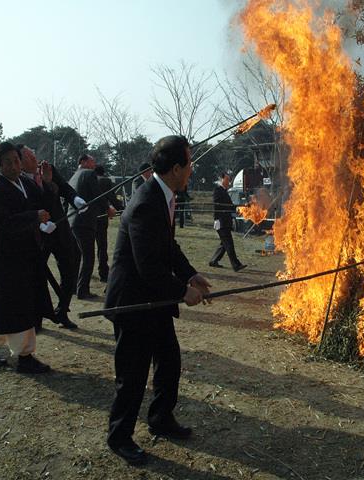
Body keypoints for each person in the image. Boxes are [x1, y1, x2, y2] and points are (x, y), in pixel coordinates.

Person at [104, 135, 211, 466]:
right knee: (132, 375)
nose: (192, 170)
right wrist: (182, 292)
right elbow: (147, 266)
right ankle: (119, 437)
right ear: (176, 168)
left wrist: (191, 274)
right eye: (190, 164)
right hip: (133, 303)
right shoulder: (146, 203)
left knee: (169, 361)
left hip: (154, 300)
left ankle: (160, 418)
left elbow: (168, 248)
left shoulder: (164, 195)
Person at [0, 141, 52, 374]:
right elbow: (6, 224)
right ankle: (24, 356)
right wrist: (34, 217)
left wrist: (48, 183)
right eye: (8, 162)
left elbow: (41, 200)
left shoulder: (22, 183)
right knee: (18, 307)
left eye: (16, 160)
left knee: (7, 309)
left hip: (24, 256)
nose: (14, 166)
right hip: (7, 259)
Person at [18, 145, 83, 330]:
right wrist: (38, 224)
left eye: (33, 154)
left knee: (71, 266)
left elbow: (64, 188)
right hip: (39, 234)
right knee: (37, 275)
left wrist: (76, 199)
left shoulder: (48, 169)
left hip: (60, 228)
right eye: (29, 156)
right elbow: (27, 207)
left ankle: (62, 311)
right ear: (20, 163)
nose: (34, 158)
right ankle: (36, 317)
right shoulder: (20, 181)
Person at [68, 154, 102, 300]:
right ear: (83, 161)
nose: (94, 164)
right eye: (92, 161)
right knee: (88, 257)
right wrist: (108, 208)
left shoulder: (72, 177)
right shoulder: (89, 174)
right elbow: (98, 195)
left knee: (77, 256)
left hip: (72, 221)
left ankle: (74, 287)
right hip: (84, 222)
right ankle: (83, 290)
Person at [209, 172, 247, 272]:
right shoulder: (218, 190)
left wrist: (241, 208)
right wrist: (229, 208)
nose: (228, 182)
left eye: (229, 180)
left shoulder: (224, 191)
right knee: (229, 243)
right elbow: (218, 205)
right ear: (221, 179)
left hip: (226, 221)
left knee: (224, 244)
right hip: (221, 222)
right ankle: (236, 265)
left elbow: (230, 206)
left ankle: (213, 261)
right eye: (227, 180)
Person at [94, 165, 123, 282]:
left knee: (84, 249)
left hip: (85, 218)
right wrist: (122, 209)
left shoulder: (87, 180)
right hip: (101, 218)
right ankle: (103, 273)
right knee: (102, 246)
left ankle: (83, 273)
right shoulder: (105, 181)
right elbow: (111, 197)